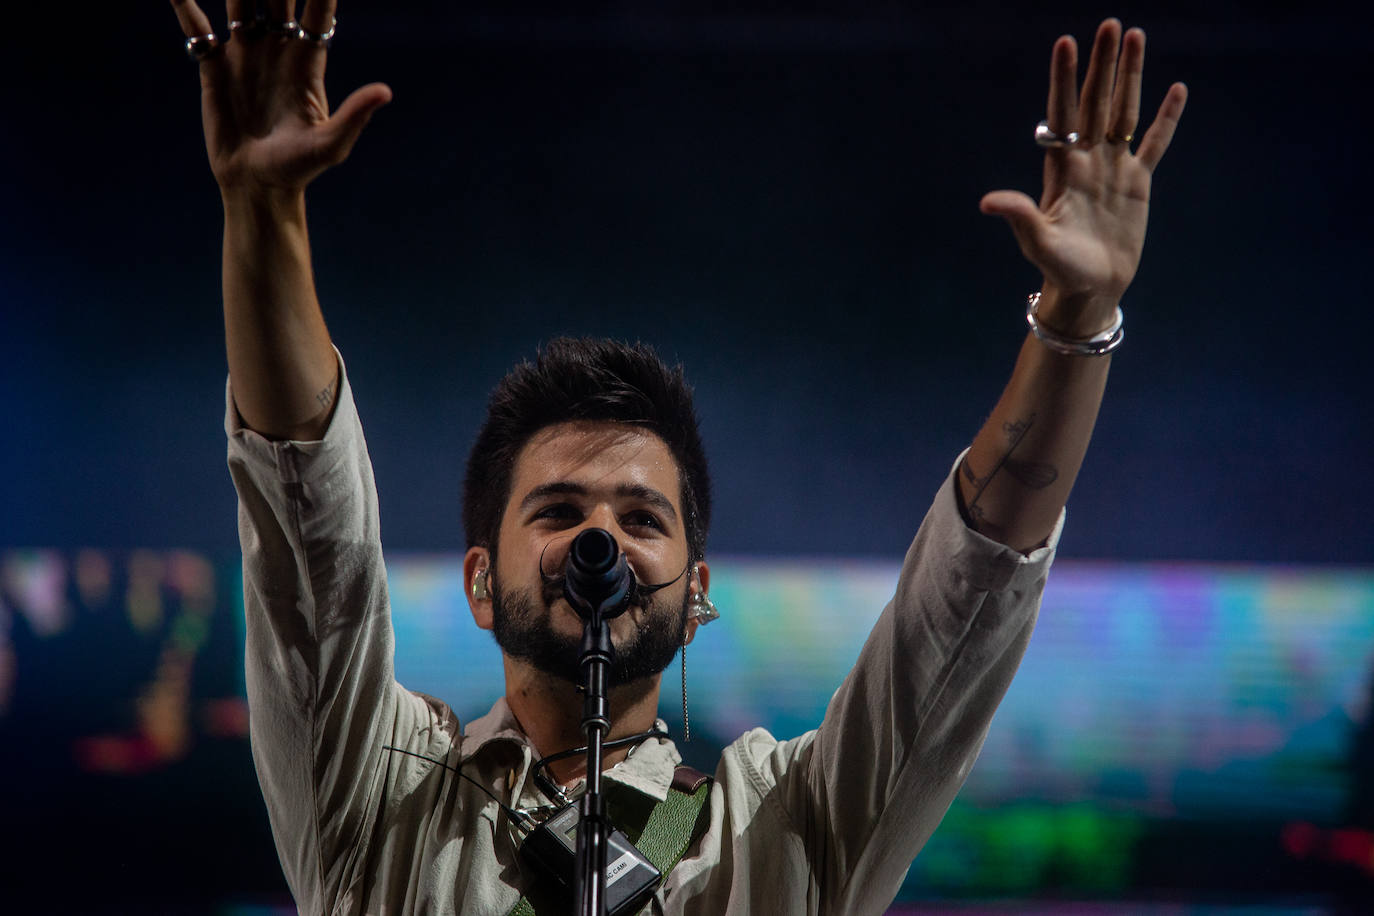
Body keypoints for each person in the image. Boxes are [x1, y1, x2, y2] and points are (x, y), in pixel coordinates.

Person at [168, 1, 1187, 912]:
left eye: (642, 516)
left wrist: (1076, 319)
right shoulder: (377, 791)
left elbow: (965, 604)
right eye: (558, 510)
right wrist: (263, 215)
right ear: (480, 581)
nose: (601, 535)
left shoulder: (789, 825)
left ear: (695, 591)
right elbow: (309, 537)